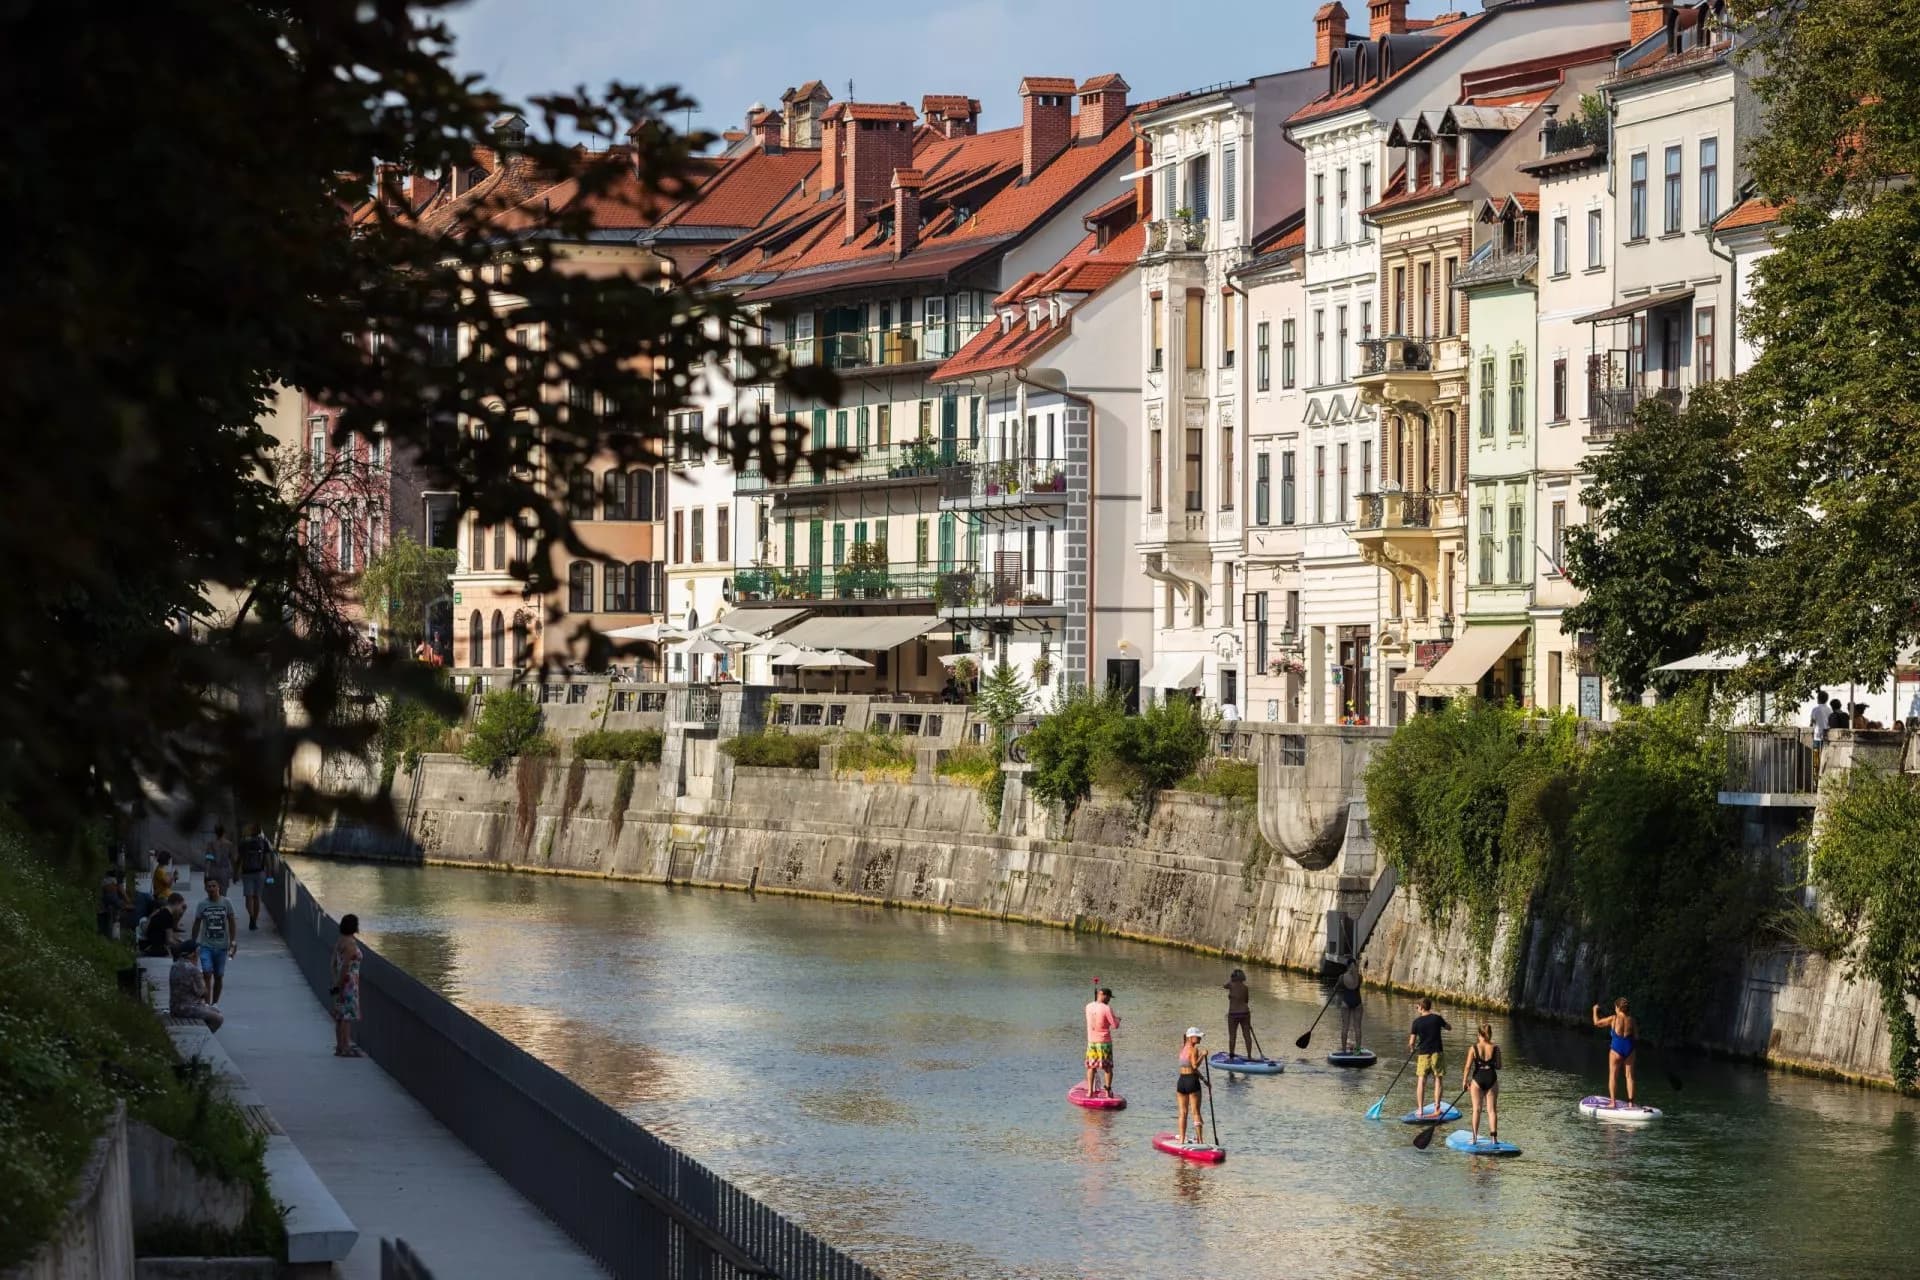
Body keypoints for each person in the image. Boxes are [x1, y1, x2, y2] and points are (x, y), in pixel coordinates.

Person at [191, 878, 239, 1005]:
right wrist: (192, 942)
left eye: (213, 886)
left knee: (218, 976)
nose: (211, 888)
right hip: (206, 945)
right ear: (205, 889)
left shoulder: (226, 902)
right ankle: (207, 1003)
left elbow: (232, 922)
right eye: (208, 886)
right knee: (207, 973)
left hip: (222, 947)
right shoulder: (202, 904)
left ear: (218, 887)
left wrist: (233, 942)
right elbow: (197, 923)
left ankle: (215, 1003)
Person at [1591, 997, 1639, 1108]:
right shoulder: (1632, 1020)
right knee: (1629, 1077)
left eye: (1615, 1007)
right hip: (1629, 1049)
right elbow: (1636, 1036)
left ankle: (1612, 1102)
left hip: (1616, 1050)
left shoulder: (1613, 1018)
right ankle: (1630, 1103)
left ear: (1618, 1007)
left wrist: (1594, 1010)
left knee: (1613, 1075)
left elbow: (1596, 1023)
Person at [1408, 997, 1451, 1116]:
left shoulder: (1416, 1022)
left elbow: (1411, 1042)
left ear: (1421, 1007)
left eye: (1418, 1007)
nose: (1417, 1009)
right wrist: (1438, 1016)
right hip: (1437, 1053)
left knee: (1421, 1081)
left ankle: (1420, 1109)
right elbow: (1449, 1027)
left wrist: (1412, 1048)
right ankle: (1437, 1107)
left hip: (1423, 1054)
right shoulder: (1437, 1018)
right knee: (1438, 1079)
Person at [169, 940, 223, 1033]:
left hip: (174, 1006)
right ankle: (205, 1036)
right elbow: (202, 992)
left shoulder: (175, 965)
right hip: (188, 1008)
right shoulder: (193, 969)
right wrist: (202, 978)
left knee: (213, 1010)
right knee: (218, 1018)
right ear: (192, 954)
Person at [331, 913, 365, 1058]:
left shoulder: (340, 941)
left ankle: (339, 1046)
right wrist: (340, 984)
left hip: (341, 981)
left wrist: (335, 981)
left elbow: (333, 963)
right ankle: (346, 1047)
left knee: (340, 1016)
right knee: (346, 1017)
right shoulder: (351, 944)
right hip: (349, 983)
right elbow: (346, 965)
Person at [1461, 1022, 1500, 1144]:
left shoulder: (1473, 1048)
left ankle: (1474, 1138)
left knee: (1476, 1110)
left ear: (1478, 1034)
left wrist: (1465, 1081)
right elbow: (1499, 1066)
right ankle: (1494, 1139)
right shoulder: (1496, 1048)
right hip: (1491, 1079)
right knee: (1492, 1111)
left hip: (1477, 1079)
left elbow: (1467, 1067)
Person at [1175, 1027, 1210, 1144]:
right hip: (1192, 1082)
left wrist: (1204, 1080)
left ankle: (1181, 1139)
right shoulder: (1194, 1049)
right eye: (1198, 1036)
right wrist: (1203, 1055)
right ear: (1191, 1037)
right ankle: (1200, 1141)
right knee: (1196, 1112)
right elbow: (1194, 1066)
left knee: (1182, 1113)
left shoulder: (1182, 1049)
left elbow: (1190, 1068)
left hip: (1181, 1081)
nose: (1200, 1038)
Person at [1084, 987, 1120, 1098]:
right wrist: (1117, 1019)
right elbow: (1115, 1025)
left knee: (1091, 1067)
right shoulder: (1106, 1008)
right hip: (1104, 1042)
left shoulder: (1088, 1006)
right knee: (1108, 1068)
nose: (1109, 1000)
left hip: (1092, 1042)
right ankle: (1108, 1092)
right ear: (1103, 995)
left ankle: (1090, 1092)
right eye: (1109, 997)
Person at [237, 823, 272, 930]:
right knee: (257, 898)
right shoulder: (263, 842)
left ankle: (251, 917)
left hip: (247, 873)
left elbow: (239, 859)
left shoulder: (243, 842)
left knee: (248, 897)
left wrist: (235, 873)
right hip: (260, 873)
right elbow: (268, 861)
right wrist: (270, 876)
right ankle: (254, 921)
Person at [141, 893, 188, 957]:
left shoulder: (162, 912)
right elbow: (169, 940)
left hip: (153, 944)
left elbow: (167, 933)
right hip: (158, 948)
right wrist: (181, 944)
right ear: (177, 903)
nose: (181, 910)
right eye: (181, 906)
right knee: (191, 945)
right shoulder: (168, 916)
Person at [1223, 968, 1254, 1059]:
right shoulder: (1245, 988)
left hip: (1233, 1014)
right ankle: (1249, 1056)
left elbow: (1224, 985)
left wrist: (1230, 981)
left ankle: (1231, 1055)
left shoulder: (1230, 985)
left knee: (1232, 1035)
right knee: (1247, 1035)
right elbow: (1246, 1001)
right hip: (1245, 1013)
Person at [1337, 960, 1364, 1052]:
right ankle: (1358, 1049)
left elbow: (1336, 988)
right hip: (1357, 1002)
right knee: (1357, 1027)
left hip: (1346, 1002)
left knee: (1345, 1027)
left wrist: (1339, 985)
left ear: (1347, 966)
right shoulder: (1360, 977)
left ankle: (1344, 1049)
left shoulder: (1342, 977)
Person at [203, 824, 236, 895]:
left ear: (215, 833)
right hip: (224, 871)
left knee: (212, 894)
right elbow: (233, 860)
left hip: (213, 871)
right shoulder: (229, 845)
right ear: (224, 832)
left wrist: (206, 875)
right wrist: (235, 874)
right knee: (223, 895)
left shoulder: (211, 845)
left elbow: (208, 861)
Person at [98, 869, 128, 939]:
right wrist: (127, 902)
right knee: (115, 917)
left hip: (106, 902)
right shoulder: (114, 882)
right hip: (112, 901)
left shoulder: (105, 881)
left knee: (109, 918)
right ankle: (113, 936)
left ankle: (107, 935)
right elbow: (122, 893)